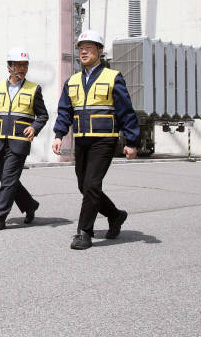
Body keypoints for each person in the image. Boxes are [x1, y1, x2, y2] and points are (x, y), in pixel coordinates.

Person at [52, 30, 141, 250]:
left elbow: (126, 111)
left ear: (100, 52)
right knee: (85, 186)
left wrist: (132, 141)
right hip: (81, 140)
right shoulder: (72, 81)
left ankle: (84, 232)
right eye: (81, 48)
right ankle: (115, 215)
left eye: (89, 47)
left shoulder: (113, 77)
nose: (83, 51)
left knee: (92, 184)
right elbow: (65, 111)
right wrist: (58, 135)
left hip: (104, 140)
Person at [0, 47, 49, 231]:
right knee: (8, 180)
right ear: (9, 67)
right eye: (18, 65)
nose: (22, 69)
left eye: (25, 65)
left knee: (8, 181)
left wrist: (34, 127)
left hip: (19, 141)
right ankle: (29, 205)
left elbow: (43, 115)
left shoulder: (34, 89)